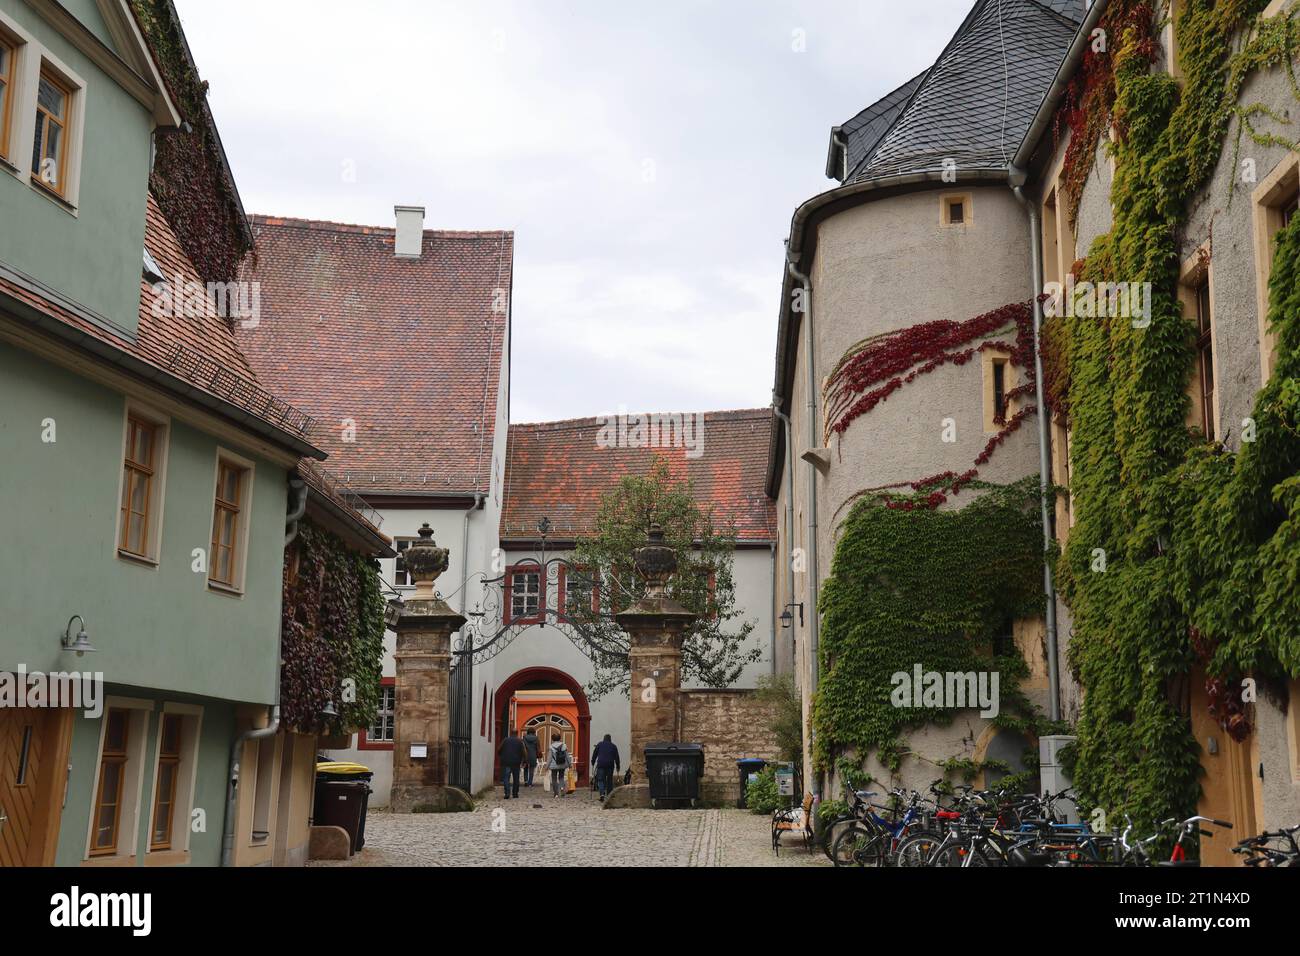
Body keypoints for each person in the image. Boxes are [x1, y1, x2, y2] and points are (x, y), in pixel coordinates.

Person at [590, 734, 621, 800]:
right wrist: (618, 766)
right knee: (609, 780)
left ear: (603, 739)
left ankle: (602, 793)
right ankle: (609, 795)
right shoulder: (613, 746)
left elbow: (595, 753)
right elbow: (617, 757)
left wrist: (593, 762)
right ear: (610, 739)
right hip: (610, 765)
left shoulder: (599, 744)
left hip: (601, 764)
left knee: (601, 779)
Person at [498, 729, 526, 799]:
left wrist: (501, 755)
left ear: (510, 733)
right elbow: (524, 752)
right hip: (516, 762)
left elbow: (499, 749)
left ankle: (507, 793)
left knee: (506, 778)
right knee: (516, 778)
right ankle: (515, 793)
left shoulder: (505, 740)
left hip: (506, 762)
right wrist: (524, 761)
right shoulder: (520, 741)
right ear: (517, 733)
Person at [547, 733, 571, 798]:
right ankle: (562, 788)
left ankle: (556, 793)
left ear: (552, 739)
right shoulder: (564, 745)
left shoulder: (551, 746)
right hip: (562, 764)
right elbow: (567, 756)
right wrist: (569, 764)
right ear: (560, 738)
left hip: (554, 765)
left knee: (554, 778)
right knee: (561, 777)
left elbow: (549, 758)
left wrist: (547, 766)